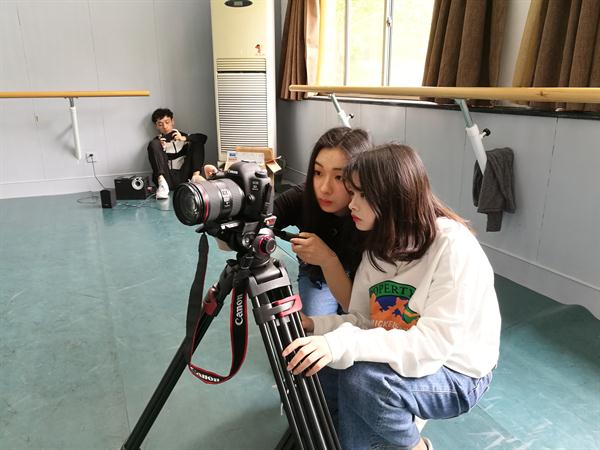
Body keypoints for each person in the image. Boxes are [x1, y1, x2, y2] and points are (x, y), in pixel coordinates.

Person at [283, 144, 501, 450]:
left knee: (363, 379)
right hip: (410, 350)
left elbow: (430, 347)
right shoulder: (377, 247)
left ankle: (416, 448)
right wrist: (316, 327)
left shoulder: (453, 246)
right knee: (322, 371)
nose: (351, 203)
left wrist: (338, 343)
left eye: (361, 195)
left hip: (457, 371)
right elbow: (364, 320)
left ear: (393, 197)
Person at [273, 127, 371, 316]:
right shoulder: (303, 196)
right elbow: (257, 220)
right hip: (319, 275)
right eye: (318, 172)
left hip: (363, 277)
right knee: (319, 328)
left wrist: (328, 259)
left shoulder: (376, 211)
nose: (325, 188)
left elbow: (360, 311)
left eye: (339, 177)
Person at [147, 108, 207, 200]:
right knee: (153, 144)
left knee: (196, 140)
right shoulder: (157, 142)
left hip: (185, 177)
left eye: (167, 122)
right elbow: (155, 151)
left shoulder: (182, 136)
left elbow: (203, 138)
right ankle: (162, 184)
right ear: (156, 126)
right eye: (160, 124)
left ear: (172, 121)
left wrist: (184, 138)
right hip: (167, 179)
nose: (165, 126)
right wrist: (160, 148)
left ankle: (196, 178)